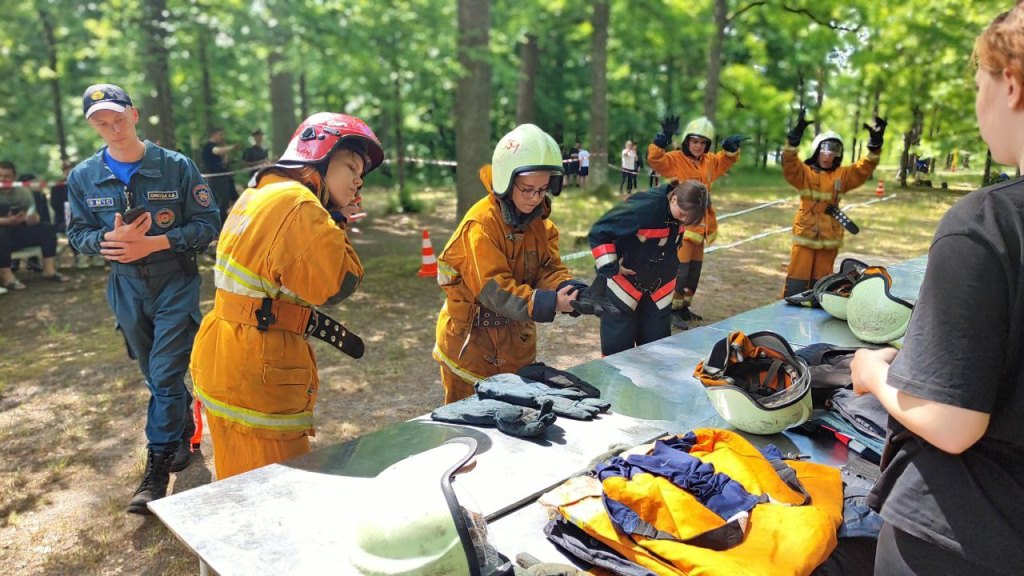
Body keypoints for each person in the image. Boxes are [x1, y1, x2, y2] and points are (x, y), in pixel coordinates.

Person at [850, 5, 1024, 574]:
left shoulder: (987, 224)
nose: (980, 103)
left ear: (1012, 86)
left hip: (967, 535)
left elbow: (953, 423)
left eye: (981, 84)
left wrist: (876, 373)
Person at [189, 112, 384, 480]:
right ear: (319, 156)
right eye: (350, 166)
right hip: (259, 368)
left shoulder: (262, 191)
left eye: (362, 173)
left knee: (236, 480)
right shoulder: (300, 206)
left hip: (223, 352)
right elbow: (338, 284)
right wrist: (337, 221)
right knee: (273, 490)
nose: (359, 179)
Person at [67, 83, 220, 513]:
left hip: (176, 280)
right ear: (92, 126)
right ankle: (183, 419)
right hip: (125, 286)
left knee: (166, 373)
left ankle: (155, 469)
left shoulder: (176, 166)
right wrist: (106, 240)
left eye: (118, 118)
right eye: (101, 123)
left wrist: (157, 244)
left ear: (135, 114)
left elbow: (210, 224)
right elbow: (77, 235)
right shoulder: (83, 177)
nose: (112, 128)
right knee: (154, 373)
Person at [433, 124, 586, 404]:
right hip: (471, 348)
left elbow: (548, 269)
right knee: (468, 426)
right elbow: (495, 290)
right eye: (527, 189)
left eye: (542, 189)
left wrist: (571, 290)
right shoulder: (481, 226)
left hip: (516, 344)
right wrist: (550, 303)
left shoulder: (541, 224)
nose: (535, 198)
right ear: (506, 179)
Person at [647, 115, 747, 328]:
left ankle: (683, 307)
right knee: (678, 270)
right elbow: (655, 160)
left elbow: (725, 161)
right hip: (681, 226)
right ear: (686, 141)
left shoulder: (709, 161)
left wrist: (730, 148)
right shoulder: (674, 159)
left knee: (693, 271)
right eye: (694, 141)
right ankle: (670, 311)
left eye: (703, 143)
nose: (699, 146)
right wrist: (661, 139)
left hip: (701, 226)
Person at [587, 180, 708, 356]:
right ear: (673, 199)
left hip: (661, 286)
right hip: (625, 285)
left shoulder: (682, 211)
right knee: (617, 347)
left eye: (687, 220)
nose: (682, 220)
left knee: (656, 347)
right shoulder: (644, 207)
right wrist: (611, 266)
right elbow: (600, 231)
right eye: (681, 214)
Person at [780, 108, 886, 298]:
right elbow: (789, 163)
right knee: (797, 279)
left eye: (834, 150)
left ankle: (818, 310)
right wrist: (793, 139)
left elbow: (864, 168)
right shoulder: (803, 173)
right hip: (806, 232)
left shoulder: (842, 176)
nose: (829, 155)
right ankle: (789, 311)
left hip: (830, 235)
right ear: (817, 150)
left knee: (823, 282)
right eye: (825, 149)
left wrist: (875, 144)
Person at [0, 161, 67, 289]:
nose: (2, 179)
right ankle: (6, 276)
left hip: (19, 231)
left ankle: (49, 270)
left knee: (47, 228)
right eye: (0, 175)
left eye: (6, 176)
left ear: (14, 177)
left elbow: (34, 216)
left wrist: (30, 218)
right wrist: (7, 221)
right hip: (2, 234)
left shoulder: (23, 192)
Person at [201, 127, 239, 226]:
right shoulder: (209, 146)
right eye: (220, 134)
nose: (222, 137)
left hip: (221, 178)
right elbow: (217, 151)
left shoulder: (216, 146)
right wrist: (232, 147)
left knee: (223, 201)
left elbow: (224, 161)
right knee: (221, 202)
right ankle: (220, 225)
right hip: (216, 179)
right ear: (214, 134)